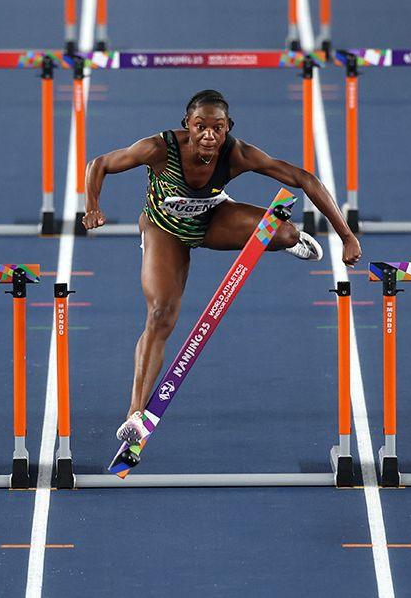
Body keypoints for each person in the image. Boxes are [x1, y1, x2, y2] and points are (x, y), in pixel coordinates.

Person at [83, 89, 362, 443]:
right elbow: (100, 164)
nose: (209, 135)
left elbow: (305, 179)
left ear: (228, 127)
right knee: (160, 315)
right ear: (187, 124)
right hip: (164, 231)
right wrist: (91, 204)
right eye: (201, 126)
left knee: (284, 232)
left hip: (213, 221)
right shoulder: (159, 148)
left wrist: (346, 236)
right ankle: (135, 414)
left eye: (218, 128)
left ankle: (291, 242)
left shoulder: (237, 153)